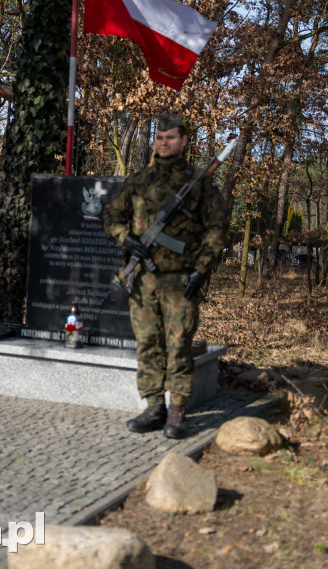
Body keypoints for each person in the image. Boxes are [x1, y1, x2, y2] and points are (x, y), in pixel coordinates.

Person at [103, 113, 226, 438]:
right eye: (159, 138)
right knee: (147, 344)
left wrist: (201, 269)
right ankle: (154, 406)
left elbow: (217, 230)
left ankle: (177, 411)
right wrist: (126, 237)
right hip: (143, 280)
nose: (164, 143)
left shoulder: (199, 184)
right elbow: (112, 215)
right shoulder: (139, 180)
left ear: (184, 141)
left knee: (179, 345)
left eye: (170, 137)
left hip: (180, 280)